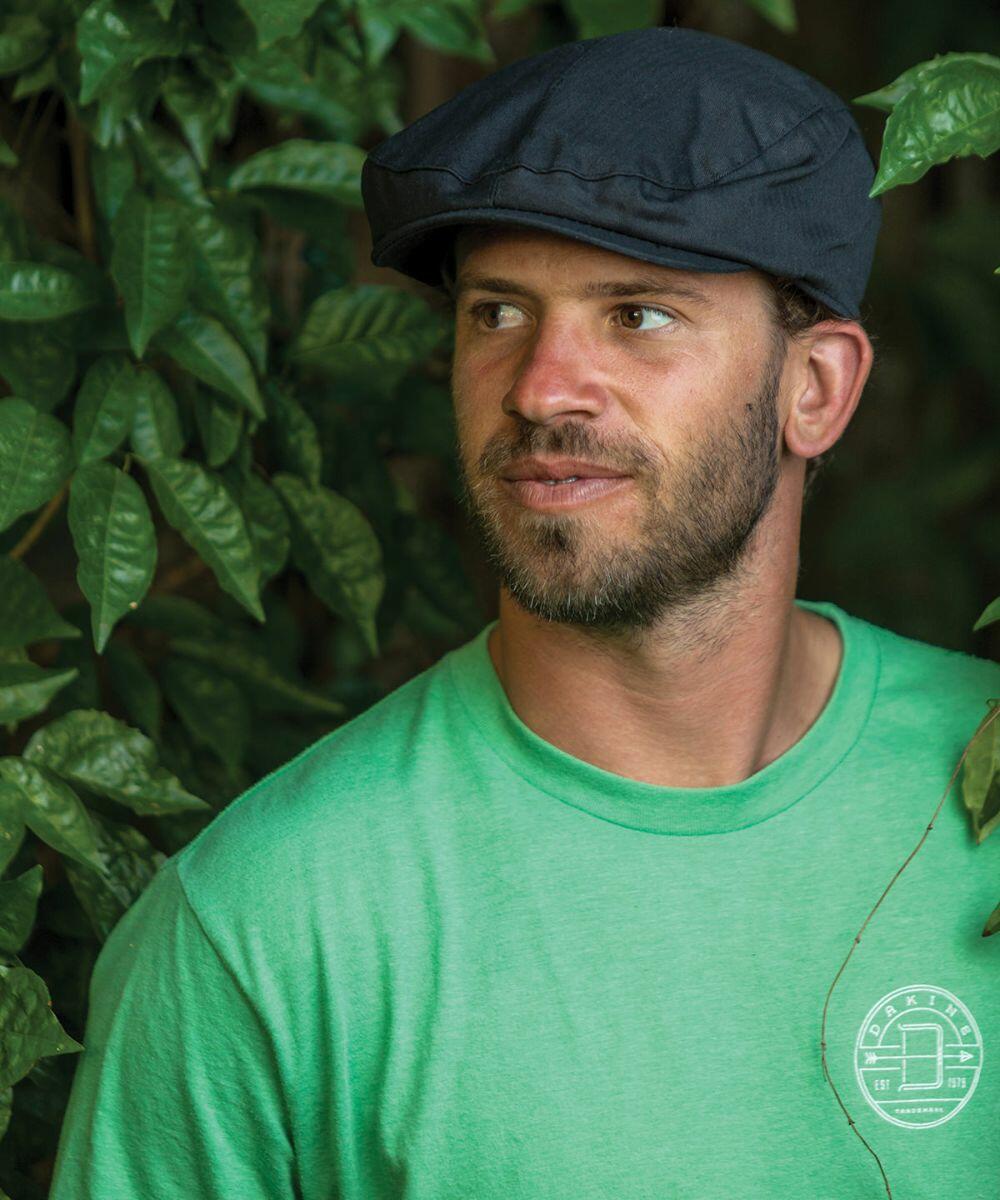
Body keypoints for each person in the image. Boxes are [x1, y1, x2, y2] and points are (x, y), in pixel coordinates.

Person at [49, 25, 1000, 1200]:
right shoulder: (267, 926)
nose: (543, 387)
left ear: (814, 389)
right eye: (496, 313)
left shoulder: (988, 788)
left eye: (637, 314)